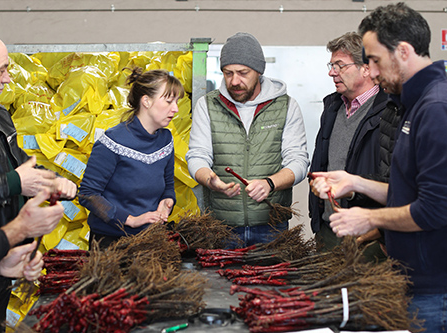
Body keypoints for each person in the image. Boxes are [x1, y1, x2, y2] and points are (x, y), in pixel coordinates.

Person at [311, 3, 447, 331]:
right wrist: (356, 182)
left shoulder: (436, 108)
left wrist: (368, 216)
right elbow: (407, 191)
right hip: (409, 279)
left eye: (374, 60)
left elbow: (434, 210)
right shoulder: (415, 104)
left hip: (432, 289)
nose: (370, 71)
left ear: (402, 51)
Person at [0, 30, 77, 333]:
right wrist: (13, 183)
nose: (8, 78)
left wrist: (50, 181)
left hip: (1, 259)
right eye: (2, 69)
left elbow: (20, 165)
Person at [186, 32, 309, 246]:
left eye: (243, 73)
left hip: (272, 226)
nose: (235, 81)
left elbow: (298, 161)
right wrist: (210, 180)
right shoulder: (207, 105)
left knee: (272, 279)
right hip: (221, 226)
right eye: (228, 73)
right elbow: (197, 155)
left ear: (259, 71)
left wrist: (270, 183)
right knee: (220, 280)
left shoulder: (286, 106)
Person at [79, 67, 183, 249]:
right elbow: (88, 194)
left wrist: (167, 202)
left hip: (151, 239)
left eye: (176, 102)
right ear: (146, 101)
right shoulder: (112, 142)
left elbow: (168, 186)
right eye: (168, 101)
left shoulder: (166, 140)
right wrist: (130, 220)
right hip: (111, 243)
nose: (175, 109)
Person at [308, 32, 388, 254]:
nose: (331, 72)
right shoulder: (333, 107)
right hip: (328, 229)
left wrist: (380, 231)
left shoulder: (390, 112)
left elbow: (393, 180)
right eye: (331, 65)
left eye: (340, 65)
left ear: (366, 68)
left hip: (368, 236)